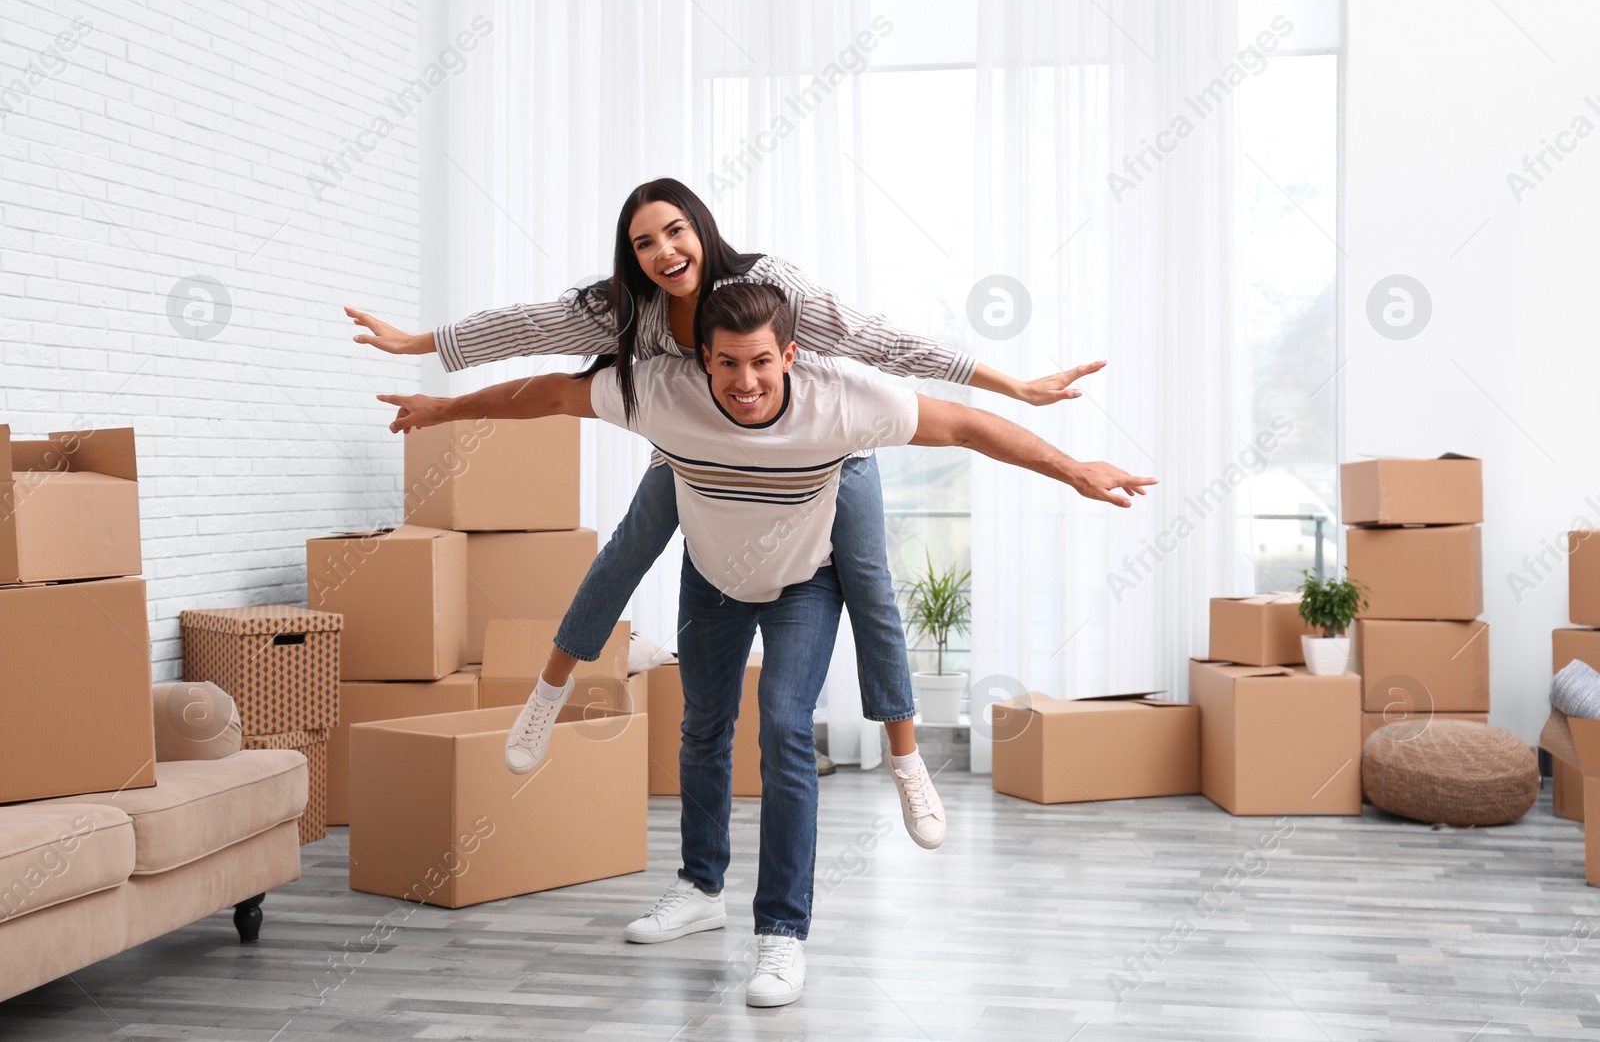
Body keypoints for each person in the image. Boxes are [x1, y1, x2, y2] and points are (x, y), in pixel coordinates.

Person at [377, 282, 1156, 1007]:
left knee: (784, 728)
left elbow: (967, 425)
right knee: (703, 729)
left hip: (804, 585)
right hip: (713, 577)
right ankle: (699, 890)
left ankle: (782, 932)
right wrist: (441, 410)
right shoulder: (662, 392)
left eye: (760, 362)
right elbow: (549, 392)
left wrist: (1072, 468)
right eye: (726, 363)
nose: (744, 381)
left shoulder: (846, 405)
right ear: (701, 361)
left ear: (789, 355)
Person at [349, 179, 1103, 850]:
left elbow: (883, 341)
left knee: (867, 578)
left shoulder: (773, 290)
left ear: (701, 229)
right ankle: (548, 693)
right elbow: (529, 334)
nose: (663, 250)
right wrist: (420, 348)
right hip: (697, 444)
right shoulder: (628, 309)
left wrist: (1016, 387)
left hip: (823, 448)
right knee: (628, 546)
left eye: (675, 230)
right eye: (643, 241)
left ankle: (906, 757)